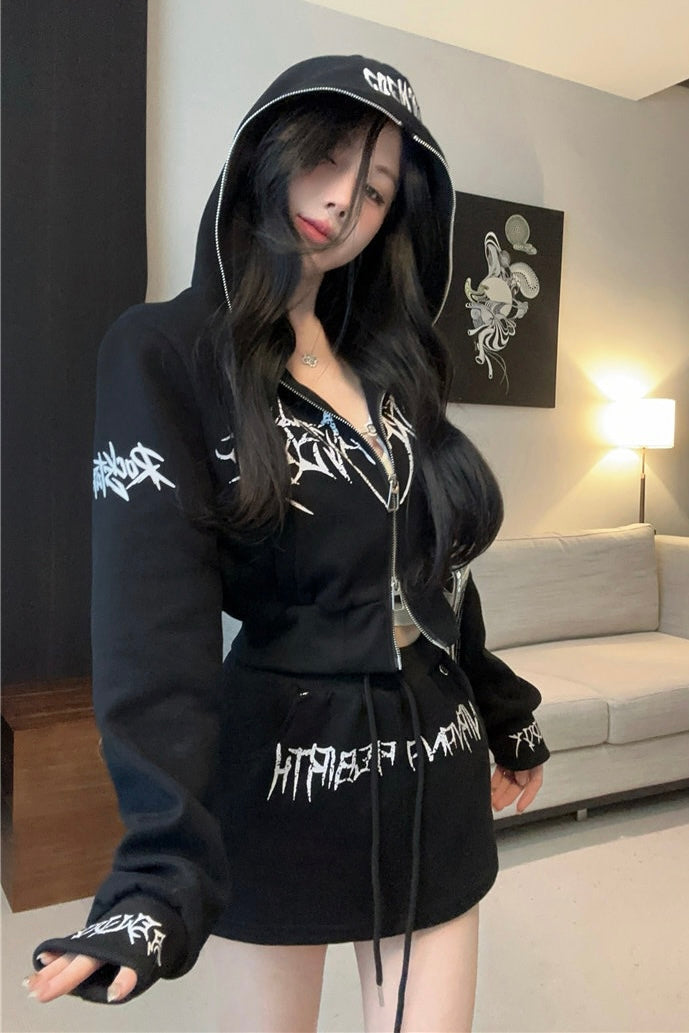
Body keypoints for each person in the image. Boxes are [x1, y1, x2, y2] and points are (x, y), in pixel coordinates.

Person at [26, 54, 549, 1032]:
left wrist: (502, 707)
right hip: (283, 778)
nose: (344, 199)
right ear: (270, 148)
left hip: (432, 769)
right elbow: (152, 622)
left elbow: (433, 570)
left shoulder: (391, 367)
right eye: (329, 156)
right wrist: (156, 869)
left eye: (378, 189)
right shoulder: (166, 352)